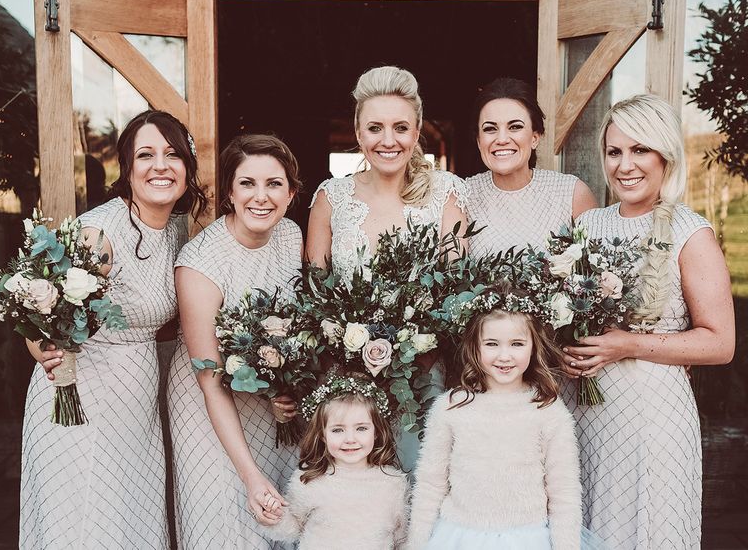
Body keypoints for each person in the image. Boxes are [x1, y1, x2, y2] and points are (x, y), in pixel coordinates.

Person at [20, 110, 206, 549]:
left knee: (129, 517)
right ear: (127, 168)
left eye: (172, 154)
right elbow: (38, 305)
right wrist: (40, 349)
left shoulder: (180, 229)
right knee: (84, 521)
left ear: (187, 167)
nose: (160, 165)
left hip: (136, 402)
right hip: (80, 395)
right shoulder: (99, 234)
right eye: (146, 155)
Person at [561, 94, 735, 549]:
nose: (625, 165)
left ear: (665, 156)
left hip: (654, 421)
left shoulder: (688, 232)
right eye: (615, 151)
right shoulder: (587, 226)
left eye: (640, 150)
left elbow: (720, 343)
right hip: (585, 413)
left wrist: (629, 344)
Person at [305, 65, 467, 470]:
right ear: (358, 134)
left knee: (419, 486)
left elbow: (456, 291)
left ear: (416, 132)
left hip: (424, 376)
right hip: (345, 380)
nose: (388, 140)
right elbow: (314, 294)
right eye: (375, 128)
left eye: (400, 128)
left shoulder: (447, 192)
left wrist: (414, 354)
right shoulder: (332, 197)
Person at [168, 134, 304, 549]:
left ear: (292, 192)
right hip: (207, 404)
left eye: (274, 184)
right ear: (229, 191)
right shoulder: (199, 263)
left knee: (279, 518)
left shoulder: (291, 236)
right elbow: (209, 380)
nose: (261, 197)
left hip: (268, 411)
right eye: (247, 183)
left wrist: (289, 391)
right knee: (227, 518)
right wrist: (250, 476)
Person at [407, 308, 583, 550]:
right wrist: (417, 544)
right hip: (459, 538)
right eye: (491, 344)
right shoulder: (451, 407)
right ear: (474, 347)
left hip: (527, 539)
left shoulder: (548, 410)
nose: (504, 356)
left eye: (517, 344)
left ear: (534, 346)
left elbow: (564, 493)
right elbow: (430, 485)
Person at [263, 376, 408, 549]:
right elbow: (292, 529)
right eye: (338, 430)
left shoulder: (393, 482)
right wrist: (276, 516)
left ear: (376, 432)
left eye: (361, 428)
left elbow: (402, 539)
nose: (350, 439)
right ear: (323, 435)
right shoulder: (309, 479)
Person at [465, 78, 596, 257]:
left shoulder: (571, 194)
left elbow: (596, 270)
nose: (502, 139)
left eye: (515, 127)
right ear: (479, 141)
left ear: (535, 137)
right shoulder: (462, 197)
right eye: (490, 129)